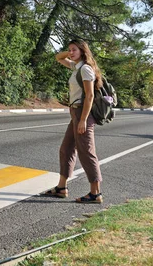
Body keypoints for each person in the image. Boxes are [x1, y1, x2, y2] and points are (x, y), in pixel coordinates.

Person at [43, 39, 104, 203]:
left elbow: (90, 96)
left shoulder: (85, 69)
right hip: (75, 114)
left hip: (83, 113)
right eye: (69, 50)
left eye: (74, 50)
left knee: (87, 152)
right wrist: (69, 51)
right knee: (66, 149)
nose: (70, 52)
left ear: (83, 51)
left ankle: (95, 193)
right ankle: (62, 188)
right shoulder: (76, 67)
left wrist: (83, 120)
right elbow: (58, 57)